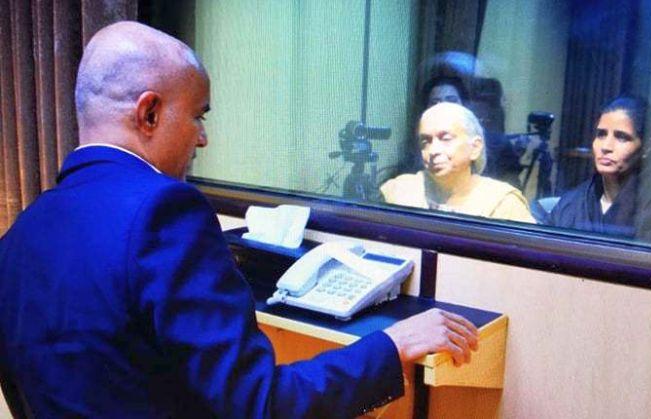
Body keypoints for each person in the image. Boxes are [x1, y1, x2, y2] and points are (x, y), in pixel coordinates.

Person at [0, 22, 480, 418]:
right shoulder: (165, 212)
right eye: (198, 116)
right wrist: (390, 346)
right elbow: (259, 404)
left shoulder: (22, 232)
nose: (202, 139)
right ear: (149, 113)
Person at [381, 102, 534, 223]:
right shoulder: (399, 191)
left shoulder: (503, 204)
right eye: (425, 141)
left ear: (475, 147)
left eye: (446, 139)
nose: (433, 150)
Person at [548, 96, 651, 244]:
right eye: (601, 134)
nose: (606, 147)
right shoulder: (571, 203)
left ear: (646, 147)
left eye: (622, 137)